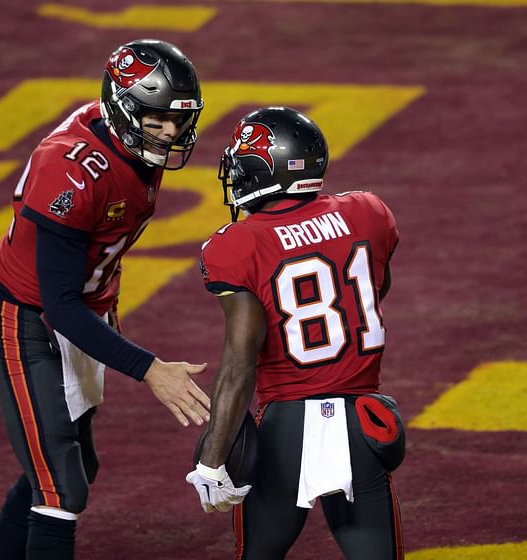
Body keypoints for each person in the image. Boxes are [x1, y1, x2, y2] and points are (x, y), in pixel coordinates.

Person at [0, 39, 210, 559]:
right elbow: (57, 302)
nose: (170, 132)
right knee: (61, 489)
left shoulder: (125, 139)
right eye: (156, 118)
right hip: (22, 318)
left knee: (72, 466)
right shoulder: (71, 171)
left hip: (79, 310)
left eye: (177, 119)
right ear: (123, 107)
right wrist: (151, 369)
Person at [186, 107, 405, 559]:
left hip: (288, 426)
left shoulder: (237, 243)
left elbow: (240, 361)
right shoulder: (368, 212)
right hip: (360, 418)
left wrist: (212, 456)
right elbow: (374, 290)